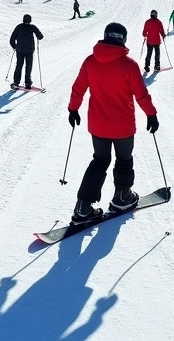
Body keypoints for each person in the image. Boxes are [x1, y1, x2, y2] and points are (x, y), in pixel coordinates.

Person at [67, 22, 159, 223]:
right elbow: (141, 95)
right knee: (124, 160)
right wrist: (151, 114)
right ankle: (122, 197)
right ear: (123, 39)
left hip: (98, 125)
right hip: (122, 126)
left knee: (100, 160)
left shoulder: (90, 62)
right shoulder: (129, 65)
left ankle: (83, 207)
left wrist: (73, 109)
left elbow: (78, 88)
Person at [9, 14, 44, 90]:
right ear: (30, 20)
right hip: (29, 51)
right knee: (28, 66)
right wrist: (38, 36)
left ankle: (16, 82)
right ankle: (27, 83)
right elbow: (41, 36)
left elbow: (12, 39)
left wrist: (15, 47)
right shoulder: (32, 27)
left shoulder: (19, 27)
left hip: (20, 50)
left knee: (19, 66)